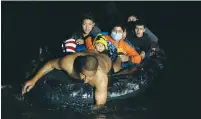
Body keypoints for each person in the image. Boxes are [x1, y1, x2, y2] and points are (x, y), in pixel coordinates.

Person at [22, 50, 112, 107]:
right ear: (79, 68)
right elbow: (50, 64)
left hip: (104, 59)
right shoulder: (68, 63)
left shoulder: (101, 78)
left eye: (90, 76)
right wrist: (34, 79)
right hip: (87, 53)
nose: (86, 80)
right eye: (83, 75)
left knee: (114, 65)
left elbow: (100, 107)